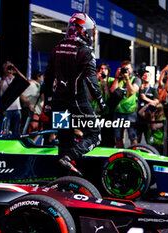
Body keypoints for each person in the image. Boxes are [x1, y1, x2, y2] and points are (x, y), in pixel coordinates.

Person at [43, 12, 105, 176]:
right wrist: (101, 101)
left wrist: (48, 102)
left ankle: (63, 182)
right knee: (95, 135)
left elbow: (47, 79)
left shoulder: (56, 49)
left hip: (58, 103)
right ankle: (70, 158)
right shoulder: (85, 51)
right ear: (84, 31)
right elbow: (92, 80)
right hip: (78, 102)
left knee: (64, 141)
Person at [110, 60, 141, 148]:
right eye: (124, 68)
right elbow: (112, 90)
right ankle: (120, 158)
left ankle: (134, 157)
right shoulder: (118, 79)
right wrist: (117, 77)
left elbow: (132, 91)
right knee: (118, 137)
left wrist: (127, 78)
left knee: (133, 137)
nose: (126, 70)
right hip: (118, 112)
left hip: (130, 113)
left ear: (132, 69)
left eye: (128, 68)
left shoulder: (136, 79)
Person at [92, 62, 115, 147]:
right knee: (97, 134)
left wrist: (105, 84)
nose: (103, 71)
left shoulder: (111, 81)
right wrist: (96, 80)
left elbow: (110, 97)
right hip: (96, 112)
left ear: (108, 71)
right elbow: (91, 98)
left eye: (105, 69)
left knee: (108, 135)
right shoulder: (94, 81)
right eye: (101, 69)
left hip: (108, 112)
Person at [0, 61, 22, 138]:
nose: (9, 69)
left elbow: (24, 80)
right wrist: (4, 78)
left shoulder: (16, 79)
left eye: (10, 67)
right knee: (6, 130)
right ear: (4, 70)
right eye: (7, 68)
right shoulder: (1, 80)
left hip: (17, 109)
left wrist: (15, 69)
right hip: (7, 109)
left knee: (17, 131)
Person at [136, 70, 159, 143]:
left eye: (148, 75)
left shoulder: (153, 90)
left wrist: (146, 99)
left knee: (148, 139)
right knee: (137, 139)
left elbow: (156, 102)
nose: (147, 77)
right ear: (142, 77)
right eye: (145, 75)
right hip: (138, 117)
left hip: (148, 117)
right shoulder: (137, 89)